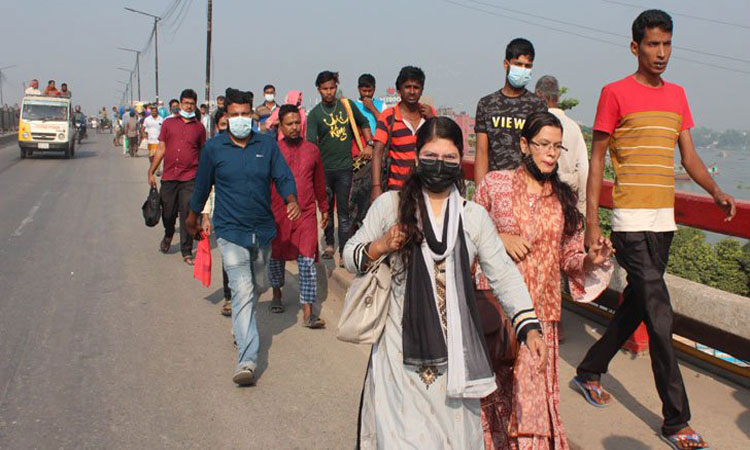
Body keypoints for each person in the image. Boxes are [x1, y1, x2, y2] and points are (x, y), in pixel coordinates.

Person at [572, 10, 736, 450]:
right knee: (661, 319)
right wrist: (592, 226)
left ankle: (588, 370)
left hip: (664, 224)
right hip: (629, 224)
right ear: (635, 47)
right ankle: (676, 420)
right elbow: (597, 162)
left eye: (666, 44)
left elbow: (690, 158)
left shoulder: (678, 96)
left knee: (636, 309)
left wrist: (717, 191)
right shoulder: (614, 93)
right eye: (652, 45)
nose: (660, 53)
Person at [343, 117, 546, 448]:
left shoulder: (473, 216)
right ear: (416, 157)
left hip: (455, 355)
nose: (440, 165)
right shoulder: (389, 206)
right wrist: (381, 245)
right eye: (431, 156)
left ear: (460, 161)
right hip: (398, 352)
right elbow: (350, 255)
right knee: (400, 437)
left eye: (450, 158)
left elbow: (503, 275)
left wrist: (530, 327)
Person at [475, 111, 614, 449]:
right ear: (525, 145)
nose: (551, 154)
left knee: (532, 402)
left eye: (557, 147)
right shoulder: (495, 184)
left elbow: (568, 257)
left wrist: (589, 259)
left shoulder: (564, 199)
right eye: (543, 145)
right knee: (492, 395)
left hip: (542, 315)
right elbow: (468, 234)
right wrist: (498, 238)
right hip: (498, 311)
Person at [186, 88, 300, 386]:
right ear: (226, 117)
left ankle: (239, 328)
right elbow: (201, 186)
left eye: (244, 114)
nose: (239, 119)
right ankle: (247, 360)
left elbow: (283, 176)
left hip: (262, 230)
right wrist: (193, 215)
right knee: (242, 288)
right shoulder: (214, 149)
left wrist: (290, 198)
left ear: (252, 115)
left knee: (258, 285)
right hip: (230, 231)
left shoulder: (267, 145)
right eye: (234, 115)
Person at [267, 104, 329, 327]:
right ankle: (276, 293)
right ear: (281, 126)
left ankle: (308, 310)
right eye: (289, 124)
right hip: (279, 212)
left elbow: (319, 183)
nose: (294, 127)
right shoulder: (272, 150)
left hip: (306, 213)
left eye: (297, 123)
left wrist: (324, 208)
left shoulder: (312, 150)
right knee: (277, 255)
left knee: (307, 259)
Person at [306, 71, 373, 261]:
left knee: (344, 212)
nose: (329, 92)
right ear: (318, 90)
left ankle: (344, 251)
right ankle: (329, 244)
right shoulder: (315, 115)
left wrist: (369, 144)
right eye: (325, 89)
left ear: (336, 87)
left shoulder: (347, 106)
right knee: (326, 210)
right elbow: (311, 145)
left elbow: (364, 122)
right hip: (324, 170)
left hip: (345, 168)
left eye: (332, 88)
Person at [474, 38, 547, 183]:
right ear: (506, 64)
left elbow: (540, 152)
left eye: (527, 66)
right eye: (518, 64)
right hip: (494, 185)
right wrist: (479, 195)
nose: (523, 69)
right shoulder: (487, 104)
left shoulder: (537, 106)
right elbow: (481, 153)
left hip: (525, 186)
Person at [147, 89, 207, 265]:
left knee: (188, 213)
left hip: (190, 177)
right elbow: (161, 148)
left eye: (191, 103)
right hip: (169, 176)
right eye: (185, 103)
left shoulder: (199, 128)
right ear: (179, 104)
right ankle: (168, 234)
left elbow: (203, 152)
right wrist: (151, 171)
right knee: (168, 212)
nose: (188, 106)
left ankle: (186, 250)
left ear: (195, 105)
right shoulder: (168, 124)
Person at [370, 66, 435, 198]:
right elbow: (377, 152)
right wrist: (376, 187)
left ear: (421, 91)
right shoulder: (389, 116)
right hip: (396, 190)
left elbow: (440, 143)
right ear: (399, 90)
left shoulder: (429, 114)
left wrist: (432, 119)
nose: (412, 92)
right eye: (407, 87)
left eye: (416, 87)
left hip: (426, 189)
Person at [535, 75, 589, 215]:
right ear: (558, 97)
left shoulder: (534, 125)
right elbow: (584, 169)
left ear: (537, 95)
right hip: (566, 200)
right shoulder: (573, 127)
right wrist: (582, 208)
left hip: (537, 200)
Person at [200, 109, 232, 316]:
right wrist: (205, 215)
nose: (228, 128)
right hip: (223, 214)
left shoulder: (251, 147)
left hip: (249, 214)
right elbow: (207, 187)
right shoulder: (212, 150)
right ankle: (230, 298)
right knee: (229, 258)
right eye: (223, 125)